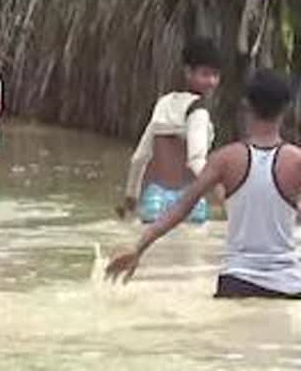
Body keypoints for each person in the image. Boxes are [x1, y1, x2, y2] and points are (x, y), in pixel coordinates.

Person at [106, 69, 301, 299]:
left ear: (246, 105)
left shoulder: (224, 159)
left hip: (236, 282)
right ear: (287, 108)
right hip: (288, 283)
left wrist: (138, 248)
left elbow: (181, 208)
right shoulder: (296, 160)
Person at [117, 36, 224, 224]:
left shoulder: (164, 103)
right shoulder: (199, 110)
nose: (212, 81)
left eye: (215, 75)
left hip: (155, 200)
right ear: (188, 72)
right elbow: (196, 161)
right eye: (205, 74)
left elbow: (139, 158)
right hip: (189, 201)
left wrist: (131, 198)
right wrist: (224, 194)